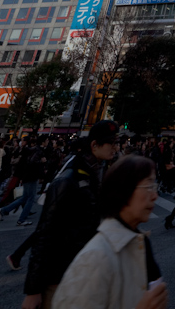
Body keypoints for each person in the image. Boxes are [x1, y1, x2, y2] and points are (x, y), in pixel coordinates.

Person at [20, 120, 119, 309]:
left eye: (116, 142)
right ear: (94, 145)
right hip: (58, 276)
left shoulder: (95, 173)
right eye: (111, 143)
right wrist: (33, 290)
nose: (116, 147)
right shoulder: (70, 179)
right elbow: (44, 233)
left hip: (82, 272)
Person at [52, 155, 167, 309]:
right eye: (148, 186)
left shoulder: (139, 244)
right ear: (124, 191)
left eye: (154, 186)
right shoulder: (96, 257)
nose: (154, 196)